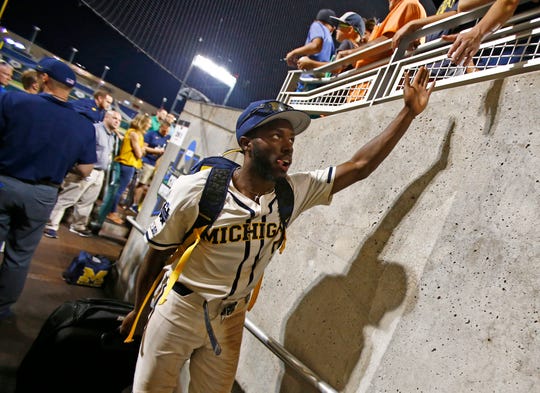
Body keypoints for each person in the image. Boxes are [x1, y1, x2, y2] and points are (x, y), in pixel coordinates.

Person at [119, 66, 435, 392]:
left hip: (231, 319)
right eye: (275, 136)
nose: (288, 146)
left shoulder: (290, 192)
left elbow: (359, 166)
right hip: (180, 310)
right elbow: (155, 258)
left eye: (291, 139)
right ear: (247, 144)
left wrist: (407, 114)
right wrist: (139, 312)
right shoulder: (197, 190)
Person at [0, 57, 96, 319]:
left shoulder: (13, 100)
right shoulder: (83, 124)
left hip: (5, 180)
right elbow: (86, 170)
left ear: (44, 78)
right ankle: (2, 308)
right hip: (43, 194)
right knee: (19, 256)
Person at [43, 110, 122, 238]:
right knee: (68, 198)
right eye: (114, 118)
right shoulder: (95, 129)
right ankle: (50, 225)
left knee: (87, 201)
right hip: (86, 169)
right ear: (106, 117)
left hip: (99, 172)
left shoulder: (112, 136)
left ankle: (78, 225)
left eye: (119, 120)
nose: (117, 122)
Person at [336, 0, 427, 69]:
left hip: (379, 83)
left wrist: (350, 54)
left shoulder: (409, 4)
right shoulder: (401, 8)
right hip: (372, 83)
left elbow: (387, 43)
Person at [443, 0, 522, 66]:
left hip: (519, 50)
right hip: (487, 56)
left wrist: (477, 32)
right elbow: (462, 5)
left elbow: (509, 3)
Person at [106, 113, 150, 225]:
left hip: (125, 163)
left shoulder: (131, 132)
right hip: (128, 164)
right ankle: (112, 212)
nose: (149, 126)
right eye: (148, 124)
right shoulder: (136, 134)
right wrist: (143, 149)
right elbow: (139, 154)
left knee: (117, 190)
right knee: (119, 191)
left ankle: (111, 211)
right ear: (143, 123)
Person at [296, 12, 366, 71]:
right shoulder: (355, 48)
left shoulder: (347, 43)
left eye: (340, 25)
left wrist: (311, 64)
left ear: (350, 29)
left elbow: (336, 68)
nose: (337, 29)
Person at [285, 8, 337, 86]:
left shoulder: (317, 25)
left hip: (308, 81)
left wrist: (293, 53)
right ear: (333, 27)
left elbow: (316, 46)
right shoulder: (331, 41)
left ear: (317, 20)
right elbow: (329, 64)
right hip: (321, 84)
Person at [130, 119, 171, 213]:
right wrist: (155, 151)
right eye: (164, 130)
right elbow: (143, 147)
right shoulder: (152, 134)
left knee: (150, 188)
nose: (166, 133)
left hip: (158, 166)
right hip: (148, 162)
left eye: (167, 131)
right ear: (161, 127)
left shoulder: (168, 138)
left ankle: (142, 206)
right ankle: (134, 205)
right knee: (141, 184)